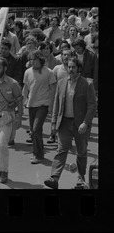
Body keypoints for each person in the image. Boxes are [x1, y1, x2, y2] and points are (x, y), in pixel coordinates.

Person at [44, 57, 97, 189]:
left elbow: (92, 106)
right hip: (64, 123)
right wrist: (54, 122)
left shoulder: (87, 84)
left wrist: (86, 122)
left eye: (73, 67)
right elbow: (57, 103)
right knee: (61, 150)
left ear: (79, 69)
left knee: (81, 152)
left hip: (80, 125)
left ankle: (81, 179)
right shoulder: (61, 83)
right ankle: (54, 178)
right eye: (69, 67)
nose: (70, 69)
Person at [22, 50, 57, 164]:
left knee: (36, 129)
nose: (32, 62)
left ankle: (37, 154)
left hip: (43, 105)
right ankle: (38, 152)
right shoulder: (27, 72)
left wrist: (51, 106)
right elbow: (26, 88)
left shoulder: (49, 72)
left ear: (40, 60)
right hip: (31, 104)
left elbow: (53, 89)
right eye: (31, 59)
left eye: (35, 60)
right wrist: (23, 102)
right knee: (34, 131)